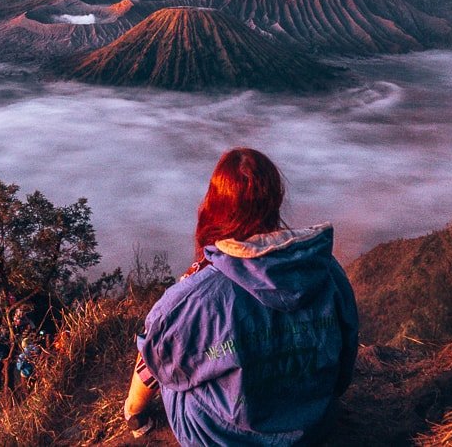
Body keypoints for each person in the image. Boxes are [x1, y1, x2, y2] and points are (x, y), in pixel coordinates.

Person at [124, 148, 359, 445]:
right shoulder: (327, 273)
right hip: (312, 428)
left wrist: (134, 410)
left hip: (221, 438)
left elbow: (156, 361)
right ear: (277, 198)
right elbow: (345, 360)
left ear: (215, 203)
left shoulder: (192, 300)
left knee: (170, 350)